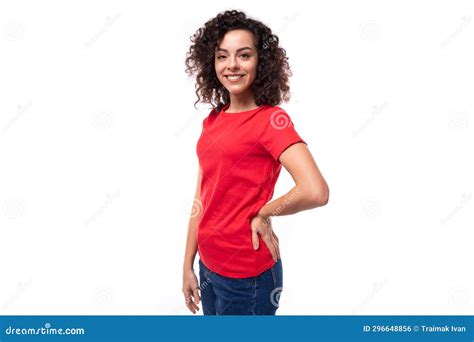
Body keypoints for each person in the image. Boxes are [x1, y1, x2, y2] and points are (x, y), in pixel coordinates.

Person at [182, 10, 329, 315]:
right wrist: (187, 264)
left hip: (246, 276)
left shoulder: (270, 121)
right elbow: (202, 197)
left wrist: (263, 212)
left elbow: (315, 190)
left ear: (261, 62)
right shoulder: (213, 120)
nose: (232, 65)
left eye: (244, 55)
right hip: (208, 266)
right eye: (222, 56)